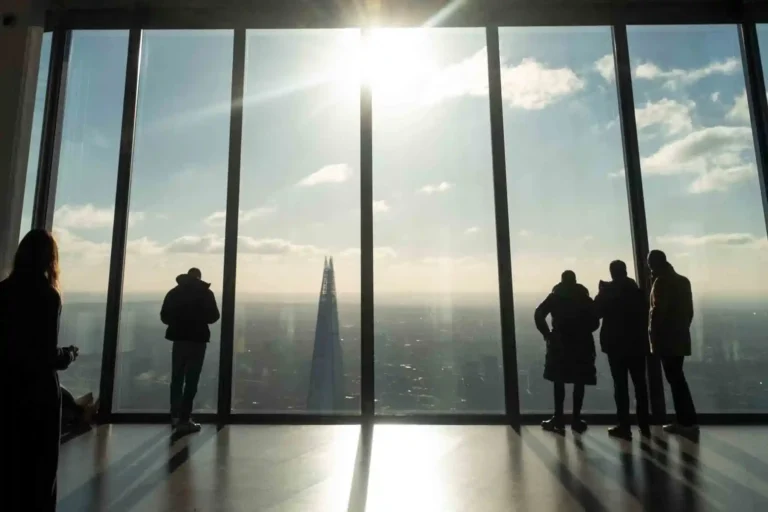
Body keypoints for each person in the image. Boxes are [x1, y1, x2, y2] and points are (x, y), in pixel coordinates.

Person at [0, 229, 78, 511]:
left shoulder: (4, 291)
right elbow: (45, 354)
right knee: (41, 466)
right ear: (50, 259)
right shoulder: (47, 296)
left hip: (8, 388)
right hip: (39, 392)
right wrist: (68, 355)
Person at [535, 270, 599, 434]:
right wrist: (584, 330)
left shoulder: (555, 296)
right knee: (579, 381)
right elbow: (595, 320)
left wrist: (547, 333)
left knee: (558, 380)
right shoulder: (583, 297)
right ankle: (576, 419)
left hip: (560, 343)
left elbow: (539, 313)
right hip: (581, 343)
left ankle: (558, 418)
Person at [594, 260, 650, 440]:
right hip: (637, 344)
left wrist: (601, 292)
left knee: (620, 386)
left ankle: (624, 426)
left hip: (615, 345)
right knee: (640, 385)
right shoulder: (638, 292)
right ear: (625, 272)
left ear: (612, 273)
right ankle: (644, 425)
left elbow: (596, 312)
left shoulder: (608, 292)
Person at [160, 268, 220, 434]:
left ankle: (175, 417)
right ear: (199, 278)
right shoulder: (206, 294)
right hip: (198, 340)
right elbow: (214, 317)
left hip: (179, 340)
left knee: (177, 378)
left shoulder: (174, 293)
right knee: (191, 380)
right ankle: (186, 419)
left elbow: (164, 317)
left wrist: (179, 320)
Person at [647, 250, 698, 435]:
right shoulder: (683, 281)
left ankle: (686, 421)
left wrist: (653, 338)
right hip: (680, 336)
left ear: (653, 264)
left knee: (675, 380)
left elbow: (658, 313)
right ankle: (687, 420)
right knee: (678, 379)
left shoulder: (662, 282)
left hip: (666, 339)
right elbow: (689, 311)